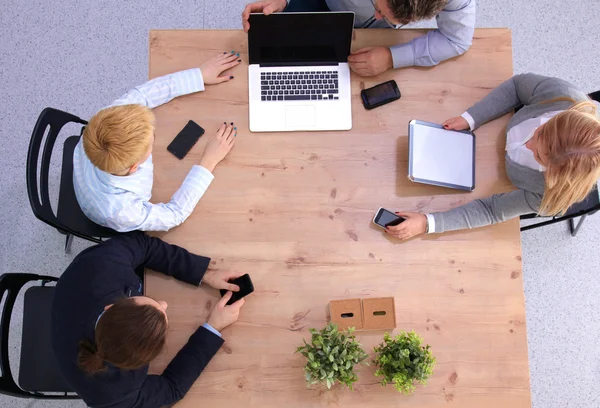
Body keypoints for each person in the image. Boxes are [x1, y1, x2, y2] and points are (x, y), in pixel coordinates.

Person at [386, 73, 600, 240]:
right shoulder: (562, 95)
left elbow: (492, 210)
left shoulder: (550, 192)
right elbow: (517, 86)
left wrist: (428, 223)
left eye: (539, 157)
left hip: (493, 180)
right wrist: (472, 118)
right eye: (540, 132)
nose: (529, 144)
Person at [51, 232, 246, 408]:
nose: (164, 304)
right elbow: (171, 389)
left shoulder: (103, 265)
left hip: (71, 296)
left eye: (154, 304)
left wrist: (204, 273)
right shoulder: (114, 397)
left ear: (111, 307)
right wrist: (212, 328)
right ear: (141, 363)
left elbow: (142, 244)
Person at [74, 51, 242, 232]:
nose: (154, 133)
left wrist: (198, 75)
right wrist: (208, 161)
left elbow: (143, 95)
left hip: (90, 177)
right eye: (152, 140)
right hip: (98, 211)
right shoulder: (123, 211)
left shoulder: (105, 120)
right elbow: (174, 214)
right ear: (134, 167)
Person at [241, 0, 476, 76]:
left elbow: (457, 40)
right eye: (378, 6)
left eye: (390, 18)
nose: (377, 16)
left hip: (372, 40)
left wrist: (393, 57)